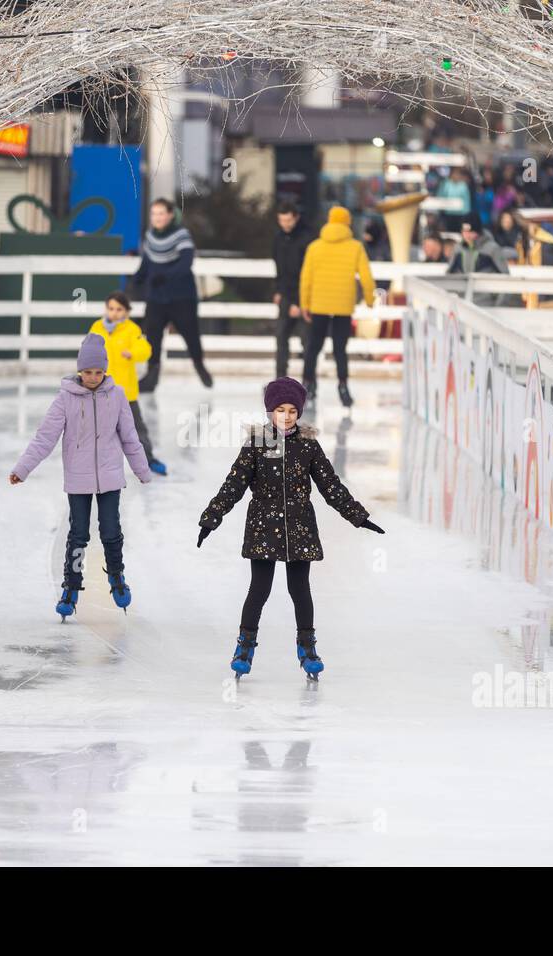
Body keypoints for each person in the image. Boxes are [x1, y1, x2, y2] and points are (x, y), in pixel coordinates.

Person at [196, 377, 384, 681]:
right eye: (280, 410)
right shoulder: (257, 444)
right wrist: (211, 518)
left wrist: (357, 516)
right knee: (259, 589)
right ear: (270, 411)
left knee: (300, 589)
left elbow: (330, 485)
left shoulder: (308, 445)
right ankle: (244, 647)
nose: (287, 416)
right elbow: (234, 485)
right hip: (263, 526)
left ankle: (307, 648)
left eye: (293, 411)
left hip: (299, 528)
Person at [9, 333, 153, 619]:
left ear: (105, 370)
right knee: (78, 535)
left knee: (111, 532)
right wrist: (22, 469)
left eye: (98, 372)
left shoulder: (118, 396)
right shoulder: (66, 399)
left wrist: (142, 470)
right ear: (79, 370)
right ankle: (71, 587)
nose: (93, 377)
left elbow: (129, 437)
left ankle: (116, 577)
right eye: (87, 372)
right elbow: (44, 438)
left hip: (110, 477)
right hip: (78, 478)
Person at [298, 206, 376, 408]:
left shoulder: (314, 247)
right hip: (343, 305)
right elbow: (366, 277)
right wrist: (369, 299)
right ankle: (343, 388)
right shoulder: (356, 247)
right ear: (347, 223)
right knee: (340, 349)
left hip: (319, 304)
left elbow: (306, 278)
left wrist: (305, 303)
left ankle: (307, 384)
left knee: (313, 346)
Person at [131, 198, 211, 391]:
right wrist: (137, 278)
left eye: (161, 213)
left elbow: (185, 263)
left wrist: (164, 276)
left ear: (169, 215)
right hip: (156, 298)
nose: (157, 217)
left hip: (182, 297)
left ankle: (199, 365)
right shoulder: (149, 237)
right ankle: (151, 376)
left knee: (190, 335)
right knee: (153, 337)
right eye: (154, 214)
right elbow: (146, 263)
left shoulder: (181, 235)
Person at [88, 291, 167, 476]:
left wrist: (133, 353)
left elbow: (145, 349)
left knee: (137, 431)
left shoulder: (132, 330)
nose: (114, 313)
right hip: (101, 392)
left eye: (119, 309)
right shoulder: (96, 328)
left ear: (126, 312)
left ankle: (149, 460)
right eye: (111, 308)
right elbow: (87, 354)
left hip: (125, 394)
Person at [272, 201, 313, 379]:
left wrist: (298, 301)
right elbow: (280, 269)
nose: (285, 224)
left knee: (307, 341)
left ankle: (308, 381)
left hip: (303, 297)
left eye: (288, 220)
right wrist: (278, 290)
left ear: (295, 218)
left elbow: (307, 273)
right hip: (286, 296)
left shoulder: (307, 238)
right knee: (281, 338)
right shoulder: (278, 239)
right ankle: (280, 378)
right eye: (282, 221)